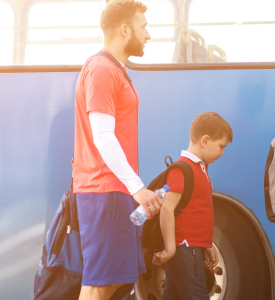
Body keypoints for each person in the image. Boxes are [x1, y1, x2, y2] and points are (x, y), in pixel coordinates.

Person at [72, 1, 158, 299]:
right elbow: (103, 136)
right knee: (99, 285)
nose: (148, 35)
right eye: (143, 27)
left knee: (115, 281)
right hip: (103, 191)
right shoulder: (102, 69)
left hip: (113, 192)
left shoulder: (113, 70)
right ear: (125, 29)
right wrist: (137, 188)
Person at [151, 112, 232, 300]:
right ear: (205, 140)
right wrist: (170, 250)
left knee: (172, 295)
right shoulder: (183, 169)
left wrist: (207, 243)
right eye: (221, 146)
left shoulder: (200, 168)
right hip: (185, 249)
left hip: (192, 247)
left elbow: (197, 213)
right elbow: (167, 209)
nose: (222, 152)